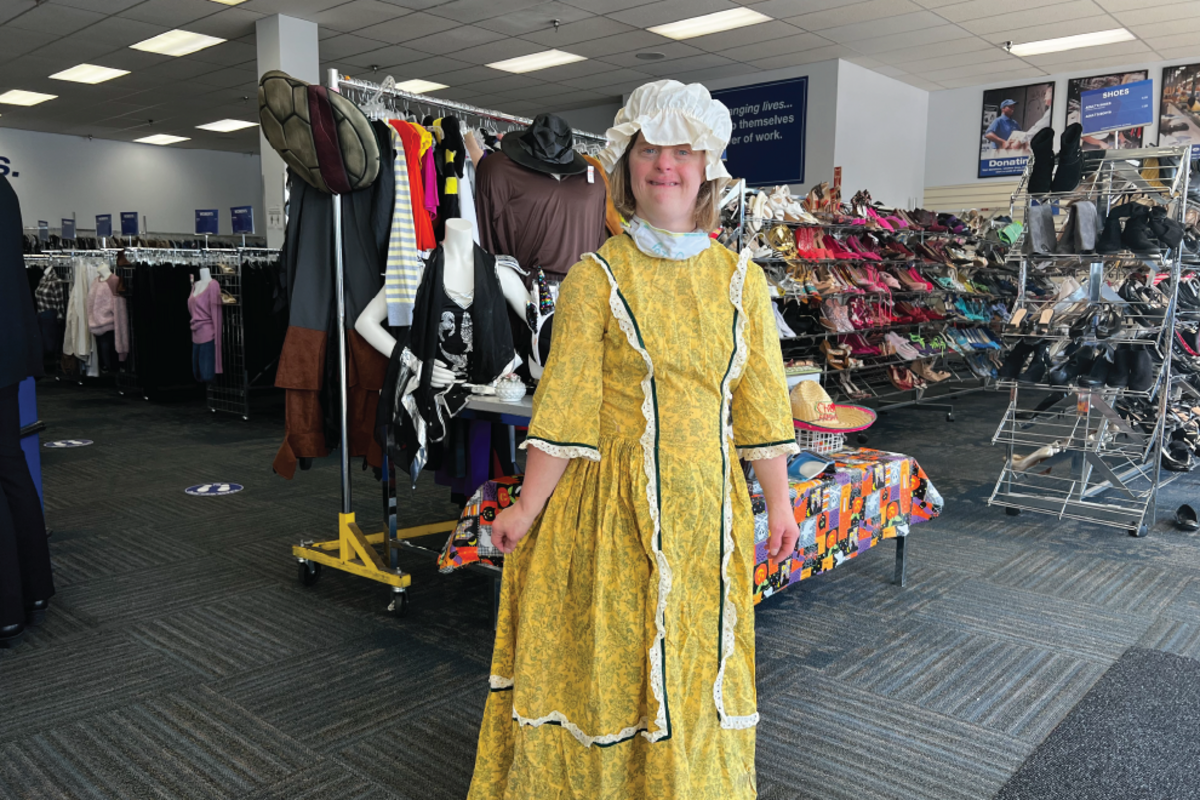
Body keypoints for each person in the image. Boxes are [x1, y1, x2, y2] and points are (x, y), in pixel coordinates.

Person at [467, 80, 800, 799]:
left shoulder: (742, 282)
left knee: (691, 669)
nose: (666, 165)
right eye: (651, 150)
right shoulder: (593, 279)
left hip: (707, 515)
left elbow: (761, 405)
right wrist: (526, 508)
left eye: (683, 151)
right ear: (627, 165)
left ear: (707, 165)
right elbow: (566, 410)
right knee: (614, 673)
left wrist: (782, 505)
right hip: (611, 514)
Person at [0, 174, 54, 649]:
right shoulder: (5, 189)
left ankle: (7, 608)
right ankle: (35, 589)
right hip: (11, 346)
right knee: (10, 463)